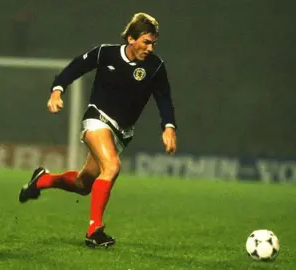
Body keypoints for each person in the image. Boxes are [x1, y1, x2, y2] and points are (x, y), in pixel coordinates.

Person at [18, 12, 177, 248]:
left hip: (122, 131)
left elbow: (164, 98)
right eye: (146, 42)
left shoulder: (155, 67)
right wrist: (57, 90)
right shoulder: (106, 53)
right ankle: (95, 230)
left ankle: (42, 181)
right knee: (112, 166)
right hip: (97, 119)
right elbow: (75, 68)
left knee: (83, 185)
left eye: (153, 43)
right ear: (131, 39)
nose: (150, 48)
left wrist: (169, 127)